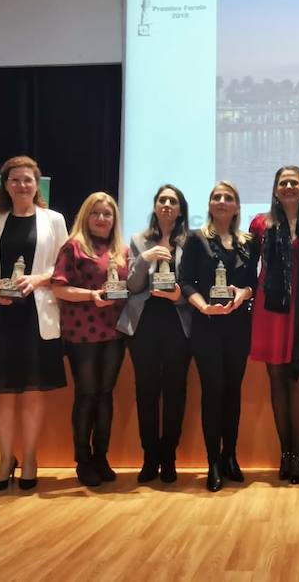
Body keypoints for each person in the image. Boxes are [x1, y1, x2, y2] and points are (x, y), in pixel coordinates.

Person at [0, 157, 68, 492]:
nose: (22, 185)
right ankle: (5, 458)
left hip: (37, 314)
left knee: (34, 391)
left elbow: (65, 267)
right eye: (15, 180)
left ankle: (31, 458)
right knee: (4, 392)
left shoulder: (54, 220)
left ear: (37, 184)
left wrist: (38, 279)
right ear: (5, 185)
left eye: (28, 180)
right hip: (0, 315)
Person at [249, 166, 299, 485]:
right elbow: (246, 266)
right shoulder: (260, 224)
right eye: (283, 182)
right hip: (271, 310)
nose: (289, 187)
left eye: (295, 182)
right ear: (275, 189)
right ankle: (285, 452)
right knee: (277, 379)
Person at [179, 182, 257, 491]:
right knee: (213, 392)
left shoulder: (249, 242)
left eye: (228, 198)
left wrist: (243, 294)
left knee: (232, 391)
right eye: (216, 197)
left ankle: (230, 456)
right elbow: (184, 280)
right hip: (207, 325)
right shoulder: (196, 239)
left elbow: (254, 281)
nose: (221, 201)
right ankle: (212, 461)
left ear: (237, 207)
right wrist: (203, 307)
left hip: (238, 325)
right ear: (210, 205)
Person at [52, 192, 129, 487]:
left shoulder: (121, 249)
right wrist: (91, 296)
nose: (101, 219)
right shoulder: (73, 246)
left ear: (114, 219)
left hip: (114, 331)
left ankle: (102, 456)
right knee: (86, 394)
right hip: (82, 331)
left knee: (105, 394)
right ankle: (82, 461)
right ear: (86, 216)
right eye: (96, 213)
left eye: (107, 214)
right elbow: (59, 287)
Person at [119, 184, 194, 483]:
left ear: (180, 208)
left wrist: (178, 296)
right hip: (144, 323)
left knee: (175, 391)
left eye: (172, 201)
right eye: (162, 200)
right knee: (146, 391)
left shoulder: (193, 241)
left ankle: (169, 456)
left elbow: (196, 286)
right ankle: (150, 456)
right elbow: (133, 286)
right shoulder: (139, 240)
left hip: (178, 321)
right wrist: (145, 258)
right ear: (155, 206)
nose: (166, 205)